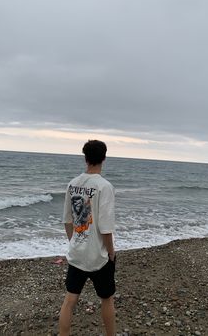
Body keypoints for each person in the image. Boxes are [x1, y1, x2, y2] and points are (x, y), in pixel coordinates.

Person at [59, 140, 116, 336]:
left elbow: (67, 220)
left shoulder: (72, 184)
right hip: (98, 256)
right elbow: (105, 227)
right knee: (107, 299)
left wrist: (74, 241)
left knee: (70, 300)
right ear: (104, 158)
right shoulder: (104, 186)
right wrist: (111, 252)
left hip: (77, 252)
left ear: (85, 158)